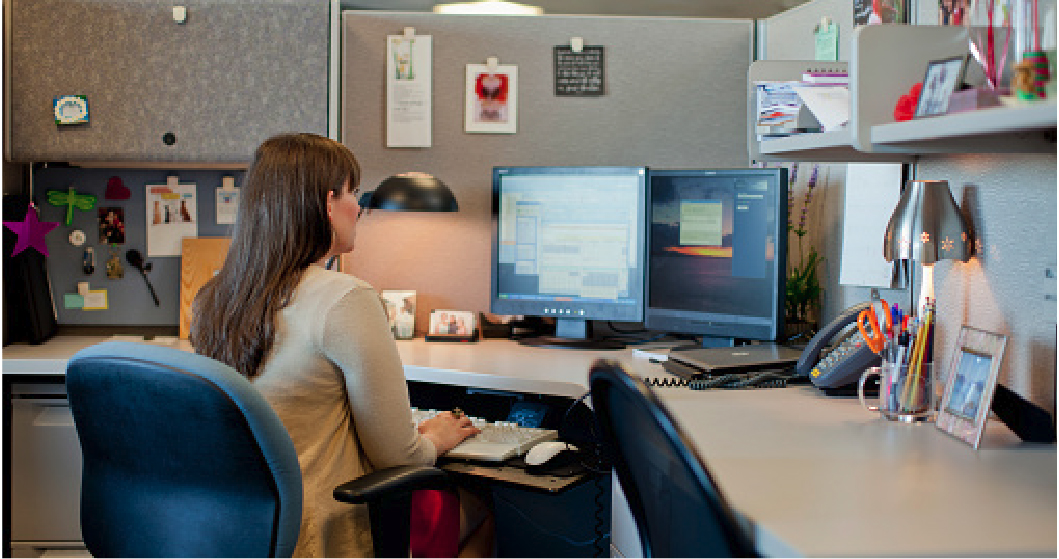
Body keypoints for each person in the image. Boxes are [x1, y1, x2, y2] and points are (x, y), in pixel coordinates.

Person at [190, 133, 493, 558]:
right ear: (328, 204)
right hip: (319, 532)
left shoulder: (215, 297)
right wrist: (436, 436)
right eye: (353, 192)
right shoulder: (345, 298)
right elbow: (398, 458)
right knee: (481, 506)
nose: (360, 208)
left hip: (237, 533)